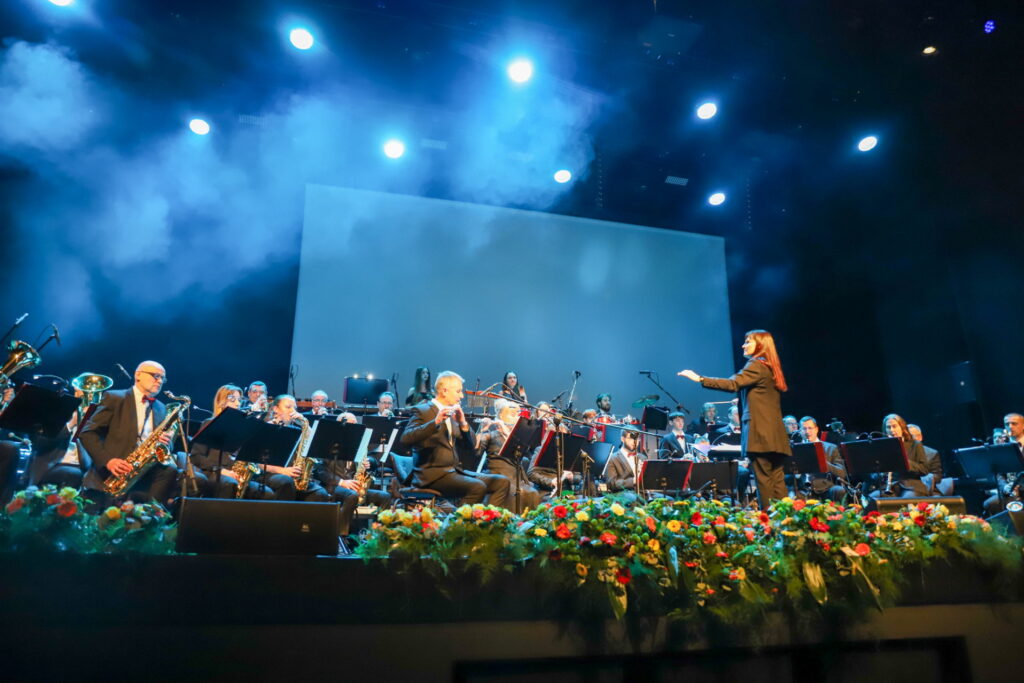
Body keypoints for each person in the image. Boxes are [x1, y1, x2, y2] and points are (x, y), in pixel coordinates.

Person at [679, 329, 792, 506]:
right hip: (775, 437)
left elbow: (733, 383)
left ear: (760, 345)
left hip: (761, 436)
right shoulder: (769, 366)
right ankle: (786, 520)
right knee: (777, 483)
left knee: (764, 482)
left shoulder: (756, 364)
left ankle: (769, 521)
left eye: (748, 341)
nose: (743, 345)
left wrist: (700, 379)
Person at [399, 371, 510, 508]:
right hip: (432, 476)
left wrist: (463, 423)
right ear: (444, 391)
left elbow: (473, 446)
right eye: (458, 391)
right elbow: (405, 439)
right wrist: (435, 421)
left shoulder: (452, 414)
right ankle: (457, 520)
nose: (461, 396)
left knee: (501, 482)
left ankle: (485, 518)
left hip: (454, 471)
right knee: (477, 487)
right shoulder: (423, 410)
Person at [79, 361, 181, 504]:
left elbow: (166, 448)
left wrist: (166, 443)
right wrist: (108, 461)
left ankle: (152, 513)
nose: (159, 381)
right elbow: (87, 433)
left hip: (144, 472)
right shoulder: (114, 397)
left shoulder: (162, 408)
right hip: (112, 470)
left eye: (162, 378)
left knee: (170, 470)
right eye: (155, 376)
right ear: (138, 375)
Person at [190, 385, 273, 499]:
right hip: (213, 472)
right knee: (230, 484)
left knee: (267, 493)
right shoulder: (209, 423)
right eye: (232, 399)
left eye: (239, 400)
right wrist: (220, 470)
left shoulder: (242, 427)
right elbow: (196, 457)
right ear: (221, 401)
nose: (238, 403)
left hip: (235, 474)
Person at [477, 399, 542, 513]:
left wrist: (507, 431)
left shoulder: (519, 437)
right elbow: (476, 451)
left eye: (518, 415)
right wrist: (481, 430)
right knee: (516, 493)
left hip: (516, 476)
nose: (517, 418)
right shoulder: (491, 436)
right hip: (499, 475)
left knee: (533, 493)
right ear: (501, 416)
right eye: (513, 414)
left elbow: (522, 450)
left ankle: (527, 522)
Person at [264, 395, 331, 502]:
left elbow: (315, 444)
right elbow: (259, 463)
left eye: (294, 408)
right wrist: (283, 471)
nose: (292, 411)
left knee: (320, 493)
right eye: (288, 407)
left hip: (293, 474)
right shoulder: (267, 428)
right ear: (276, 409)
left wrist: (305, 426)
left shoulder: (297, 430)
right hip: (271, 474)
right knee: (286, 482)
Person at [874, 413, 933, 498]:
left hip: (912, 486)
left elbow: (924, 469)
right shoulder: (883, 448)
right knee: (873, 499)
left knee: (907, 499)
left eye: (894, 426)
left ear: (902, 427)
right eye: (888, 427)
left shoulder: (915, 445)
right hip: (892, 486)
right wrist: (880, 472)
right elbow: (875, 472)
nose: (891, 430)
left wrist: (904, 461)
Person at [796, 416, 846, 501]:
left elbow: (842, 473)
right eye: (804, 429)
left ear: (816, 429)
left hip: (825, 489)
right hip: (803, 490)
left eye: (810, 428)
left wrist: (824, 463)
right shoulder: (795, 449)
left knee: (839, 490)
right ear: (800, 431)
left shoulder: (830, 448)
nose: (807, 431)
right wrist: (796, 473)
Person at [984, 413, 1024, 515]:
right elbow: (998, 473)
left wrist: (1019, 485)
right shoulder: (1002, 448)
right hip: (1010, 491)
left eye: (1014, 423)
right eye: (1007, 424)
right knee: (990, 504)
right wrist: (1005, 487)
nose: (1010, 426)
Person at [603, 426, 646, 502]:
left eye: (637, 438)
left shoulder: (643, 457)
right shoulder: (613, 458)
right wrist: (633, 481)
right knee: (633, 498)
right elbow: (611, 484)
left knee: (665, 498)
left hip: (643, 492)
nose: (634, 441)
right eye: (631, 438)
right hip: (623, 493)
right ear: (622, 439)